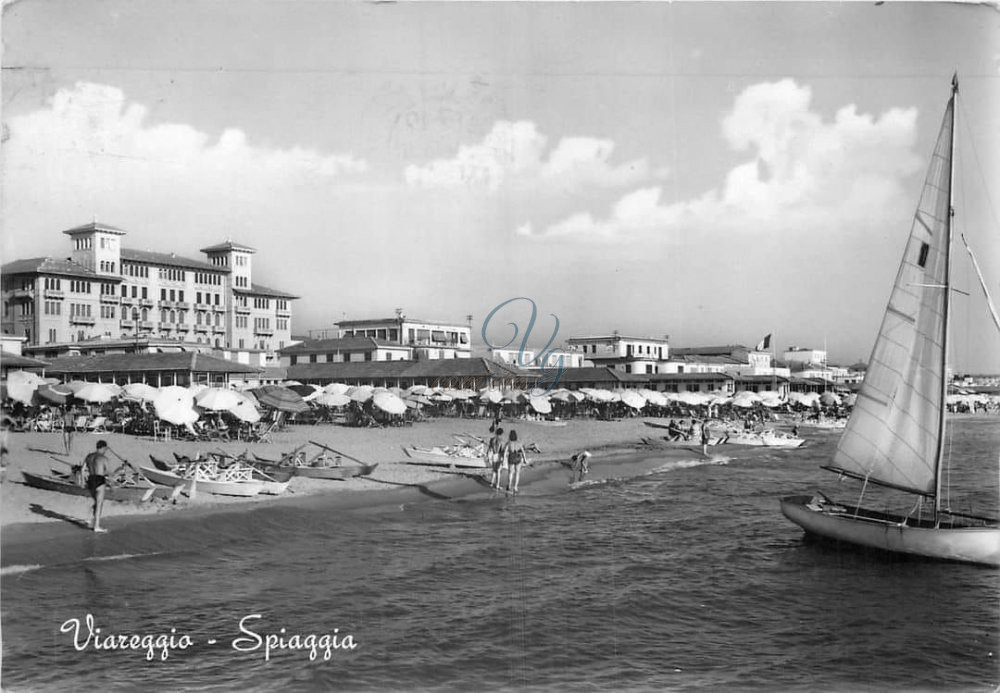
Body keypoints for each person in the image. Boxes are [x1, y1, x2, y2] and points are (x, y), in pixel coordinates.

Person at [84, 440, 111, 533]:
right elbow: (107, 472)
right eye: (105, 449)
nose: (105, 451)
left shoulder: (89, 456)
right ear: (103, 448)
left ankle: (88, 518)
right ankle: (97, 526)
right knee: (99, 504)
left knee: (96, 501)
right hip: (99, 479)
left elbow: (83, 468)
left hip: (90, 479)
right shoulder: (103, 458)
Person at [505, 430, 527, 494]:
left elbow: (505, 452)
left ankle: (509, 485)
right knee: (517, 473)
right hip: (518, 458)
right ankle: (515, 487)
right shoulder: (519, 443)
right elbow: (523, 452)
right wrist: (525, 459)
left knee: (510, 473)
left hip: (511, 458)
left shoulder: (508, 443)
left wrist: (503, 459)